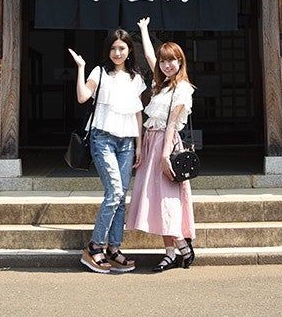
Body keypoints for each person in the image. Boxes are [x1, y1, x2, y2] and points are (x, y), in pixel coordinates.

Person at [67, 28, 145, 273]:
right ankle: (94, 247)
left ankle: (114, 249)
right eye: (113, 48)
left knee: (121, 197)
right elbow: (82, 97)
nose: (117, 52)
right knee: (114, 193)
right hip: (103, 139)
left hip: (127, 143)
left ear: (129, 50)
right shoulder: (99, 72)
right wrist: (81, 67)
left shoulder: (136, 77)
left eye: (122, 48)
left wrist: (139, 145)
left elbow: (137, 113)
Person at [126, 16, 196, 271]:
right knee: (157, 200)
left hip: (167, 145)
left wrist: (164, 155)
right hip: (151, 141)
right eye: (164, 60)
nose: (166, 65)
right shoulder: (160, 84)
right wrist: (144, 29)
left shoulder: (183, 89)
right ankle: (173, 251)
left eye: (171, 60)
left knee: (167, 200)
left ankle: (181, 246)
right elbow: (149, 56)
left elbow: (171, 125)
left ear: (180, 62)